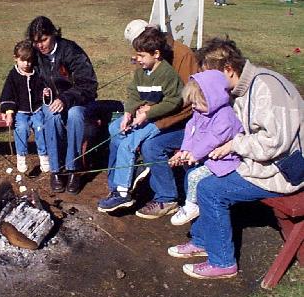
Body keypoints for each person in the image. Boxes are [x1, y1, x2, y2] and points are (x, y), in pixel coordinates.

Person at [168, 37, 303, 280]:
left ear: (228, 69)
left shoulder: (265, 89)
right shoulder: (241, 88)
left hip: (283, 172)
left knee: (211, 190)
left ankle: (222, 262)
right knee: (198, 174)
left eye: (211, 77)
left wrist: (233, 144)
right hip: (260, 163)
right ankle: (202, 241)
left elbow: (274, 142)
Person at [98, 27, 183, 212]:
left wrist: (148, 113)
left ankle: (122, 193)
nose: (138, 59)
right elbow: (133, 94)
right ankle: (124, 174)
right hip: (141, 117)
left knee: (128, 144)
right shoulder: (140, 72)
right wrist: (128, 113)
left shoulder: (168, 74)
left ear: (157, 54)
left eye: (142, 55)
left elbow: (174, 102)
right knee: (116, 131)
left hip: (157, 121)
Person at [123, 19, 198, 219]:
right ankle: (123, 186)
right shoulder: (148, 58)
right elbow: (140, 91)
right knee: (121, 133)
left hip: (184, 122)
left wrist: (154, 117)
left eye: (140, 54)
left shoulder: (183, 56)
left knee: (151, 145)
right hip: (158, 115)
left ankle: (167, 197)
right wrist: (134, 110)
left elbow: (187, 101)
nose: (137, 59)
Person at [26, 16, 98, 194]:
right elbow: (26, 78)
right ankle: (56, 170)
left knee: (74, 116)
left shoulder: (71, 50)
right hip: (51, 102)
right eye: (36, 42)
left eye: (44, 40)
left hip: (78, 100)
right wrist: (42, 91)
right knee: (52, 115)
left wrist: (65, 98)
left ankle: (74, 170)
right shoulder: (35, 54)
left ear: (54, 35)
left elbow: (88, 84)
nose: (41, 45)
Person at [168, 70, 243, 225]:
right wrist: (185, 150)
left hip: (224, 161)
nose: (193, 107)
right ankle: (193, 201)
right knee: (189, 171)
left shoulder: (225, 117)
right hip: (205, 156)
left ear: (212, 98)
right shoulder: (200, 112)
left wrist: (195, 154)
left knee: (194, 176)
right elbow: (190, 129)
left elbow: (213, 139)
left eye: (196, 102)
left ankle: (191, 206)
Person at [0, 40, 50, 174]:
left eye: (29, 61)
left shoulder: (36, 73)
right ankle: (21, 156)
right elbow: (7, 94)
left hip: (37, 110)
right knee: (21, 128)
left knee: (41, 127)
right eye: (23, 60)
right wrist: (9, 112)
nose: (26, 64)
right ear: (16, 59)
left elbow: (43, 89)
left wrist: (45, 93)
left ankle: (44, 156)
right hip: (20, 111)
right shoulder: (13, 75)